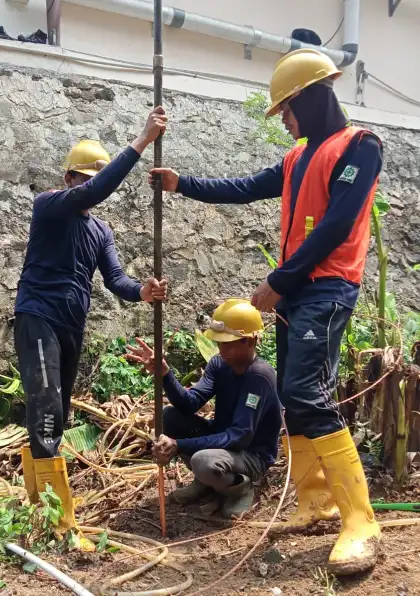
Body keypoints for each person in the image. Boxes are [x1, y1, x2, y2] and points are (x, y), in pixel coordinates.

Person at [149, 49, 383, 576]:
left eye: (288, 110)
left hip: (326, 289)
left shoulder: (361, 147)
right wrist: (181, 183)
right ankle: (314, 503)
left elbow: (335, 228)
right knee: (296, 404)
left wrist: (278, 282)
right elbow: (245, 187)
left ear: (312, 96)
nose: (286, 121)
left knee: (306, 393)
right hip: (299, 293)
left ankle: (360, 522)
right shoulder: (298, 157)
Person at [15, 108, 169, 546]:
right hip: (38, 316)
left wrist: (144, 290)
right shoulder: (49, 205)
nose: (86, 186)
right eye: (81, 179)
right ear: (68, 179)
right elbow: (102, 187)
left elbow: (117, 280)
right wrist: (141, 141)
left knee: (58, 416)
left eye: (89, 180)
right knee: (44, 410)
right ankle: (57, 526)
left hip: (70, 325)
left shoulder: (100, 231)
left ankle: (40, 507)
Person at [126, 299, 281, 518]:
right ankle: (206, 481)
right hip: (224, 442)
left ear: (248, 341)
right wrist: (165, 374)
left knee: (204, 461)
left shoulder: (259, 377)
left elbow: (239, 436)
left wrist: (179, 445)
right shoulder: (219, 365)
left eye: (228, 343)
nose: (220, 348)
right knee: (170, 417)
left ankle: (240, 488)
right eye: (219, 342)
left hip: (251, 455)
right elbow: (190, 403)